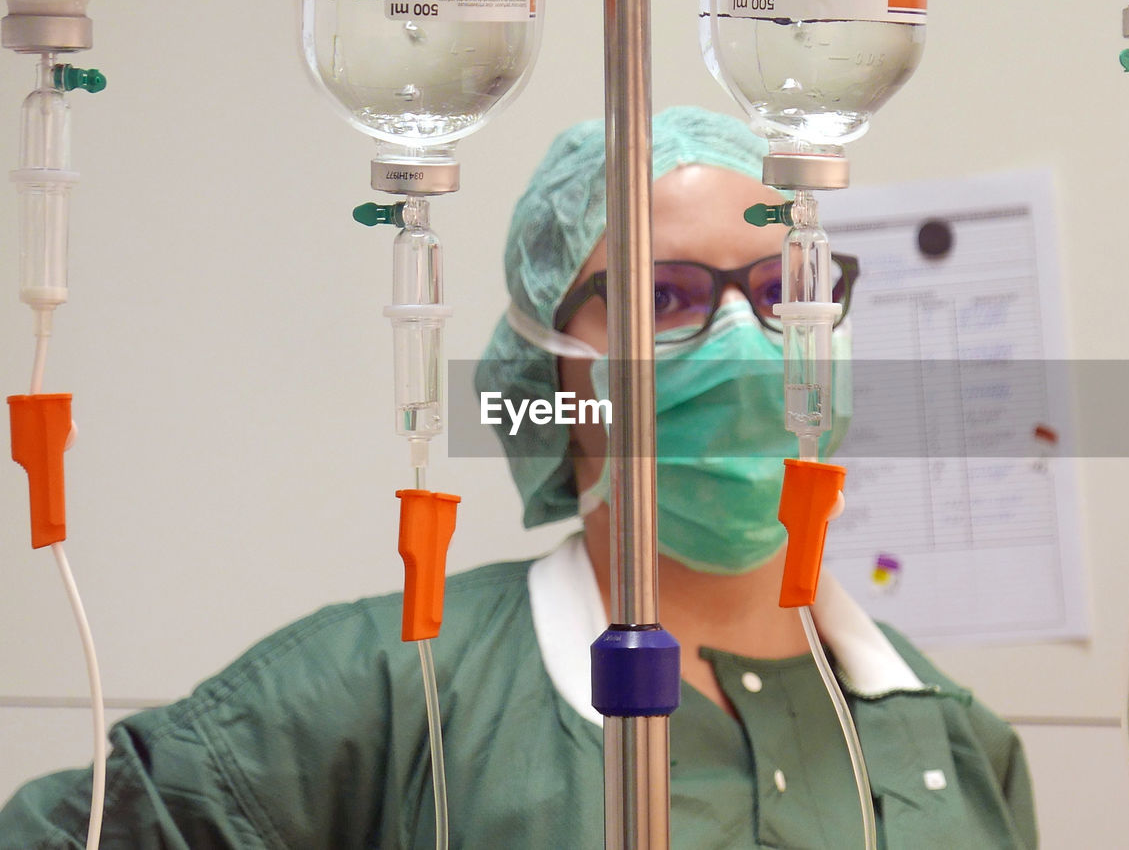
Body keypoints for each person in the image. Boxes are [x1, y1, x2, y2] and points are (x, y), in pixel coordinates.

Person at [0, 108, 1037, 849]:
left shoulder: (951, 737)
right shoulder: (388, 688)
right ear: (549, 374)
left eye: (782, 289)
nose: (745, 340)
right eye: (661, 295)